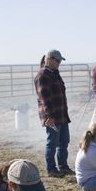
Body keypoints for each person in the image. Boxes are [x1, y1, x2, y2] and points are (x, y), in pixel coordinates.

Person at [35, 49, 73, 178]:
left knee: (64, 141)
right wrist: (49, 116)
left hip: (61, 114)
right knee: (52, 142)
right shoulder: (42, 75)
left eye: (60, 61)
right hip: (52, 116)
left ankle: (63, 166)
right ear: (49, 59)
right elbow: (44, 98)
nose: (59, 63)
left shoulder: (55, 74)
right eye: (57, 60)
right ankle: (51, 169)